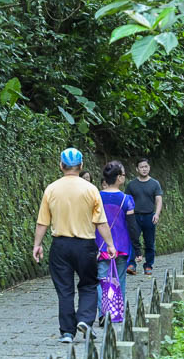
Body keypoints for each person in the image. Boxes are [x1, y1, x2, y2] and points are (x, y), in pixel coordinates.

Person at [32, 147, 116, 343]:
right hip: (85, 246)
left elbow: (42, 222)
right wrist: (110, 245)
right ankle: (85, 320)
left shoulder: (51, 189)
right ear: (81, 166)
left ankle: (67, 332)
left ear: (61, 165)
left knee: (64, 288)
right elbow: (100, 222)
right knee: (88, 284)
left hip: (60, 245)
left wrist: (38, 244)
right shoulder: (91, 189)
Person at [97, 160, 137, 296]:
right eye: (124, 174)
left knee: (101, 280)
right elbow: (132, 226)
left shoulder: (96, 197)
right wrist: (138, 249)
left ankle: (103, 313)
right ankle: (117, 314)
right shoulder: (127, 199)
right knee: (120, 281)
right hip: (121, 246)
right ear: (119, 178)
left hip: (100, 245)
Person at [125, 158, 163, 276]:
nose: (144, 169)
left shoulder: (155, 183)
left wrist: (156, 214)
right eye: (141, 167)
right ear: (137, 169)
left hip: (149, 216)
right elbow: (127, 201)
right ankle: (131, 265)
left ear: (149, 168)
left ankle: (148, 265)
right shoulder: (131, 184)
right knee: (132, 240)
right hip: (134, 216)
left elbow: (159, 199)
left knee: (149, 242)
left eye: (146, 166)